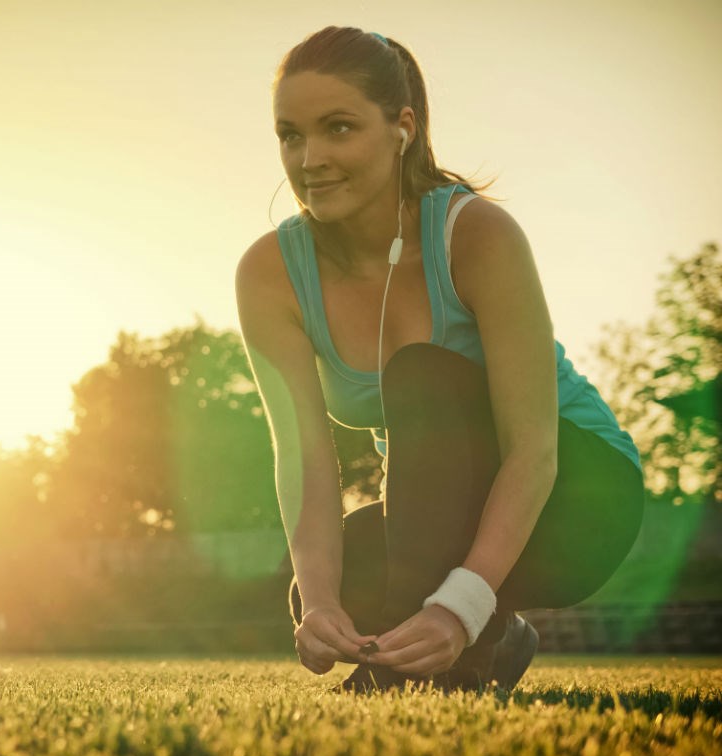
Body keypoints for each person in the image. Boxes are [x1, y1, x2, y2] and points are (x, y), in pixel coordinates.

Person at [235, 27, 644, 692]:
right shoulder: (269, 273)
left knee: (421, 374)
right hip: (447, 508)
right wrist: (318, 601)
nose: (310, 158)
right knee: (339, 583)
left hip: (578, 495)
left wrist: (459, 606)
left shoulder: (477, 234)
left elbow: (532, 449)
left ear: (402, 128)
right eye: (290, 135)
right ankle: (499, 641)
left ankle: (420, 671)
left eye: (338, 128)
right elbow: (304, 456)